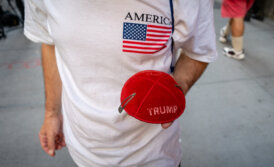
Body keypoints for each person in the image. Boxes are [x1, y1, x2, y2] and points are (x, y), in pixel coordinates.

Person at [24, 0, 217, 166]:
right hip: (83, 149)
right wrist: (51, 113)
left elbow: (199, 51)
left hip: (154, 154)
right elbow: (49, 41)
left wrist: (174, 91)